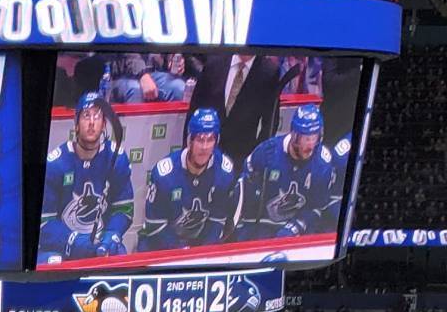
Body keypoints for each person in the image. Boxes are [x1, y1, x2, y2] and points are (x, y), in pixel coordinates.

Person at [40, 93, 133, 262]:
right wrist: (74, 241)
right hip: (64, 248)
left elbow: (124, 209)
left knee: (119, 254)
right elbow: (44, 223)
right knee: (49, 260)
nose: (92, 122)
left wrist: (112, 235)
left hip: (101, 244)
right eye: (86, 116)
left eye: (97, 116)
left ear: (104, 124)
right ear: (76, 124)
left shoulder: (116, 158)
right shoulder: (56, 164)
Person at [138, 108, 238, 252]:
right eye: (200, 139)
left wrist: (202, 253)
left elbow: (217, 220)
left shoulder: (224, 172)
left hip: (199, 247)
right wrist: (182, 252)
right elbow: (155, 225)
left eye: (210, 140)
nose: (204, 147)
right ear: (189, 140)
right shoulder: (165, 174)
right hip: (161, 246)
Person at [236, 103, 340, 241]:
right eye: (306, 138)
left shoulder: (322, 164)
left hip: (298, 232)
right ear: (294, 135)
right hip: (262, 225)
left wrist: (295, 227)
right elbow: (243, 188)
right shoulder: (267, 152)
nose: (310, 145)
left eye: (314, 137)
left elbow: (317, 208)